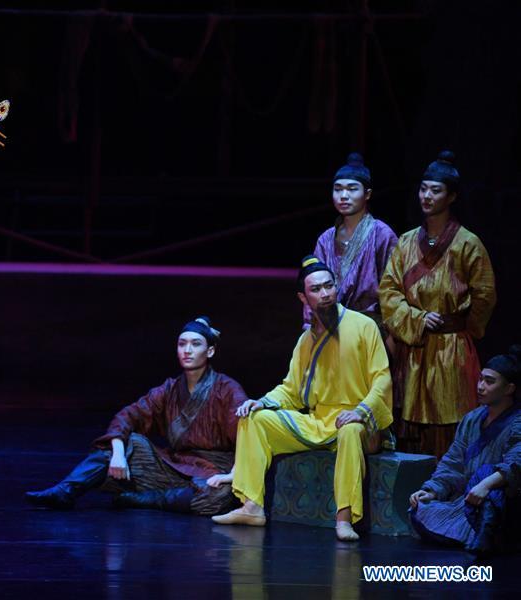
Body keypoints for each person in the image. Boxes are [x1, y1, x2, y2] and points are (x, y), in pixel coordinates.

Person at [212, 256, 392, 541]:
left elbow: (382, 378)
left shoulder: (363, 326)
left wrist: (361, 410)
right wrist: (262, 402)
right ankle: (251, 506)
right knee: (254, 419)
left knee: (348, 431)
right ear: (303, 297)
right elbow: (291, 390)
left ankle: (344, 518)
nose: (325, 294)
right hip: (319, 421)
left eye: (329, 286)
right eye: (316, 290)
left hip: (359, 422)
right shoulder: (305, 341)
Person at [25, 317, 247, 516]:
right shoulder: (169, 389)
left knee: (221, 496)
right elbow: (128, 416)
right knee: (125, 442)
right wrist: (119, 454)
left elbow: (246, 437)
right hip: (173, 466)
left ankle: (142, 500)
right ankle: (66, 490)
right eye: (182, 344)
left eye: (195, 344)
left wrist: (231, 476)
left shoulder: (226, 389)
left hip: (212, 472)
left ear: (210, 351)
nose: (187, 350)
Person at [379, 151, 497, 457]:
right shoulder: (405, 242)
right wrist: (415, 318)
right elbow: (389, 290)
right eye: (423, 188)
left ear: (452, 196)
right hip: (414, 349)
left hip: (451, 348)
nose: (427, 196)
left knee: (451, 421)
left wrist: (463, 327)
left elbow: (485, 294)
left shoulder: (468, 243)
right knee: (410, 427)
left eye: (436, 190)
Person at [409, 345, 521, 555]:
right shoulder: (472, 419)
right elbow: (453, 462)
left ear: (509, 389)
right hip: (470, 499)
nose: (480, 386)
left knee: (486, 473)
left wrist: (486, 484)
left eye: (489, 382)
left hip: (505, 501)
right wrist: (432, 490)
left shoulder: (517, 422)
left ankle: (489, 534)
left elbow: (516, 464)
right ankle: (477, 533)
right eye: (480, 379)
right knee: (420, 509)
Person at [304, 152, 397, 330]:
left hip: (369, 327)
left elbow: (394, 288)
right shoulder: (326, 239)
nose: (343, 195)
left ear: (367, 194)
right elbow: (312, 284)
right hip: (329, 326)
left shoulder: (382, 234)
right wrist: (310, 323)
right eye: (338, 189)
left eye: (352, 189)